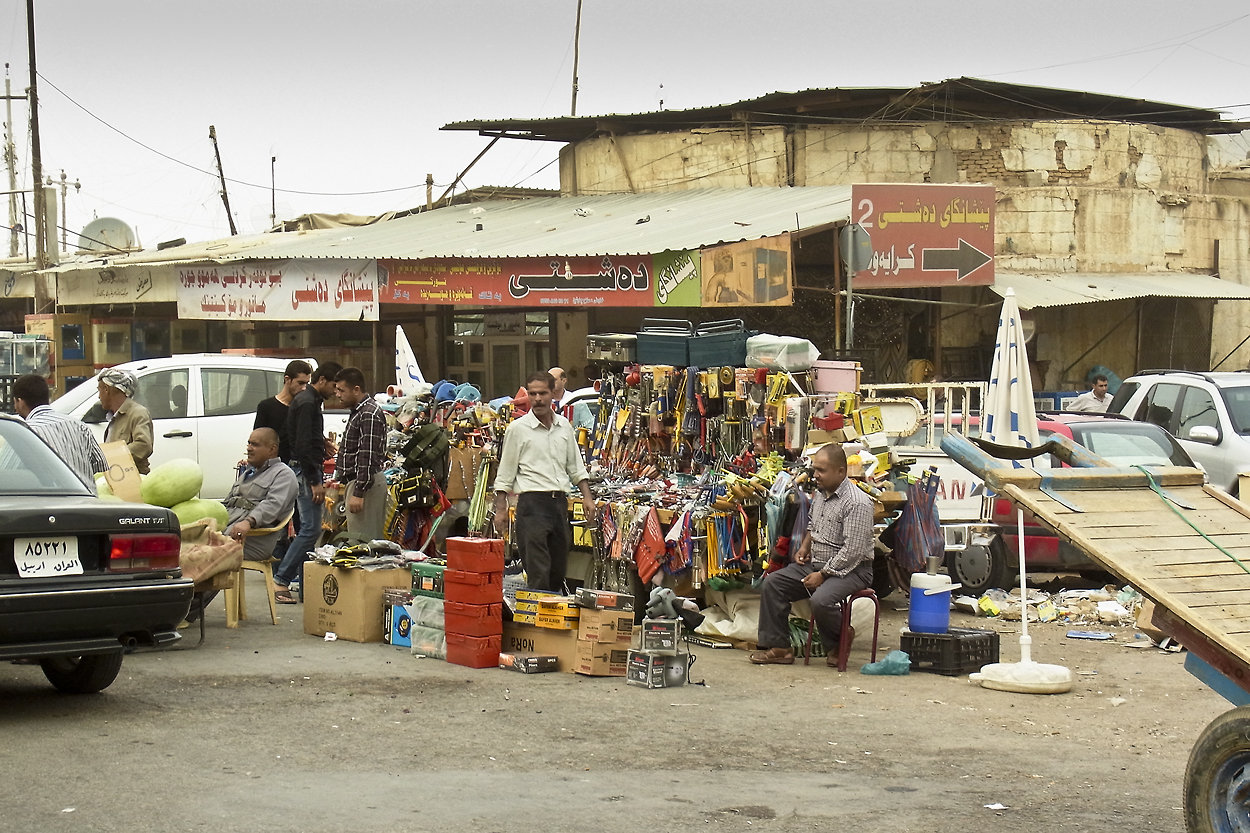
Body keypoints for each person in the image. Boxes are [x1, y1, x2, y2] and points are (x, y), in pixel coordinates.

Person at [749, 443, 875, 666]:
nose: (815, 475)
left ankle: (840, 639)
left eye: (821, 470)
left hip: (853, 569)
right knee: (773, 584)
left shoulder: (857, 502)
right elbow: (812, 525)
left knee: (820, 600)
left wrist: (824, 575)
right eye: (815, 469)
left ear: (841, 472)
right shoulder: (821, 494)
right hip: (818, 563)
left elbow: (852, 551)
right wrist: (805, 547)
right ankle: (780, 648)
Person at [493, 370, 596, 592]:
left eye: (542, 393)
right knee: (538, 571)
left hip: (559, 504)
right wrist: (501, 510)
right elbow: (505, 473)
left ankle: (552, 619)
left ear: (554, 394)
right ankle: (537, 624)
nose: (537, 399)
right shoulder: (517, 430)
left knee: (558, 570)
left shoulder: (564, 427)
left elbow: (576, 467)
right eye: (532, 394)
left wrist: (588, 498)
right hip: (532, 506)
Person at [186, 428, 298, 621]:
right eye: (249, 443)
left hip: (255, 540)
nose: (249, 448)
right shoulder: (248, 472)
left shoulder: (283, 475)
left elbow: (273, 505)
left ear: (272, 449)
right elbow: (228, 503)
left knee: (214, 554)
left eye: (255, 444)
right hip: (229, 533)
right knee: (186, 546)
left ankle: (188, 612)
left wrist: (249, 521)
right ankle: (174, 604)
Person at [273, 360, 342, 602]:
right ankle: (280, 580)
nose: (336, 391)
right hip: (304, 473)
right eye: (335, 385)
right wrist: (314, 481)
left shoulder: (310, 402)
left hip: (305, 470)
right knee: (310, 530)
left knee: (307, 530)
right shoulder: (306, 402)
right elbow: (301, 444)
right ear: (321, 380)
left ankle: (304, 587)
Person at [12, 373, 107, 488]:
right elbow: (102, 467)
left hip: (50, 503)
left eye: (15, 402)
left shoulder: (24, 431)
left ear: (20, 402)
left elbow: (8, 471)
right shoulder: (79, 426)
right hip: (86, 501)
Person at [335, 366, 389, 543]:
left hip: (367, 486)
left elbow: (367, 455)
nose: (338, 395)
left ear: (356, 389)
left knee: (364, 543)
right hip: (359, 483)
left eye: (342, 390)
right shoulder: (359, 412)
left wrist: (359, 492)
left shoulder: (368, 414)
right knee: (358, 541)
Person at [96, 367, 155, 474]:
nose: (99, 396)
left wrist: (112, 456)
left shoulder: (138, 413)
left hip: (133, 479)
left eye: (99, 390)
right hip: (117, 477)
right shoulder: (113, 416)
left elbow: (144, 445)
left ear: (106, 389)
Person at [254, 359, 312, 462]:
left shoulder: (303, 407)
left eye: (306, 384)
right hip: (273, 467)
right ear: (287, 379)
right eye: (300, 383)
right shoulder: (266, 406)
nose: (304, 388)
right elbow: (258, 440)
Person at [549, 365, 594, 431]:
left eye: (553, 380)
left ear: (563, 381)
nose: (549, 383)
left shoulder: (576, 400)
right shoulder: (542, 401)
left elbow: (589, 426)